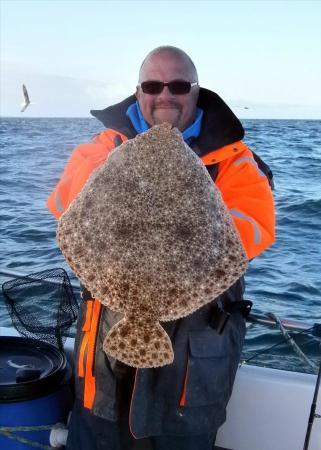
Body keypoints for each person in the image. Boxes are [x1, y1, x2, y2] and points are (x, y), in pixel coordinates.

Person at [47, 46, 275, 450]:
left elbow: (252, 235)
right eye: (153, 85)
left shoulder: (237, 162)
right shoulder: (104, 147)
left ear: (196, 90)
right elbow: (66, 207)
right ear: (138, 92)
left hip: (190, 378)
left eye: (178, 85)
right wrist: (120, 185)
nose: (165, 95)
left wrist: (182, 209)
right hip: (102, 366)